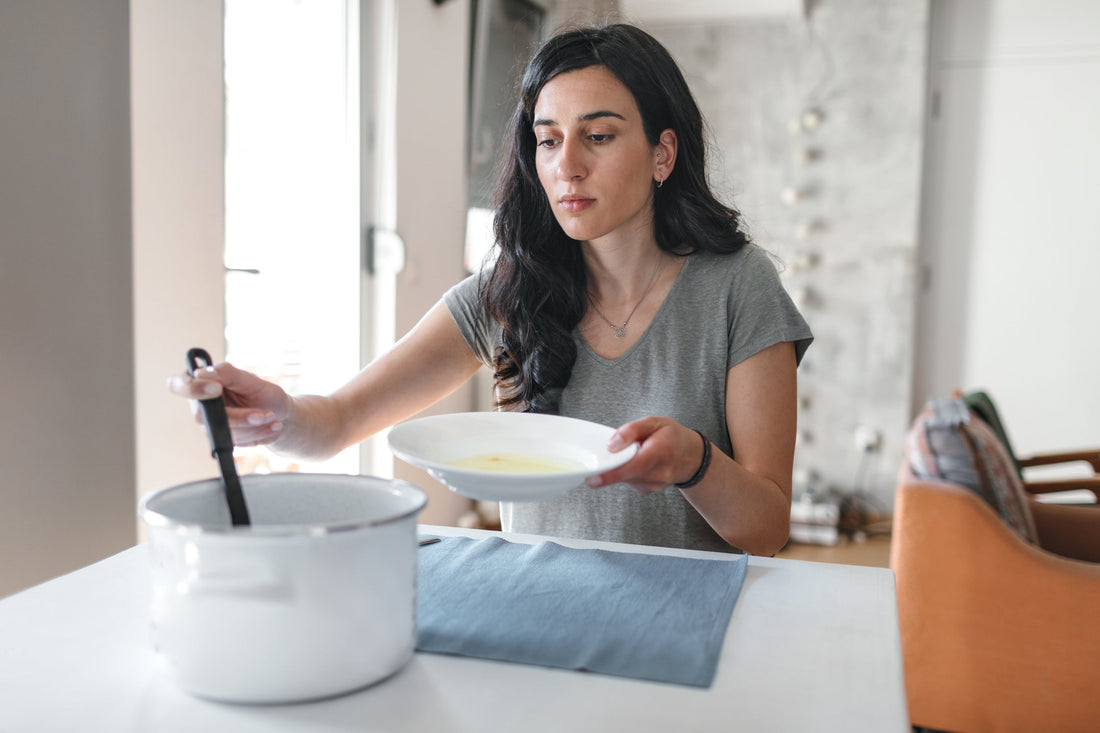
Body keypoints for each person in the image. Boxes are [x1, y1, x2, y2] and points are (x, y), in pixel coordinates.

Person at [169, 23, 812, 556]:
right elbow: (336, 422)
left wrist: (697, 462)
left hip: (685, 638)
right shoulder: (510, 290)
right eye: (548, 140)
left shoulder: (739, 286)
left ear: (662, 154)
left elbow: (767, 530)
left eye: (599, 135)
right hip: (537, 618)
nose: (567, 166)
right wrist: (272, 416)